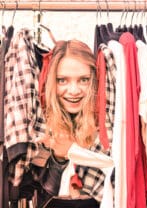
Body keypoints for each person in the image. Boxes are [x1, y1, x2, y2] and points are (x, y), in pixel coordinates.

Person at [32, 39, 114, 207]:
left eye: (83, 80)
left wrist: (73, 151)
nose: (74, 91)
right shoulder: (43, 120)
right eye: (63, 80)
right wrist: (59, 158)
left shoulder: (108, 122)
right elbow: (45, 194)